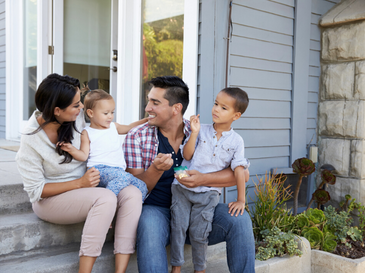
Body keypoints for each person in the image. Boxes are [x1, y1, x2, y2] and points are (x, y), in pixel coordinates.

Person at [123, 76, 255, 273]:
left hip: (197, 210)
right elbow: (134, 189)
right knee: (149, 226)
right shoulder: (137, 136)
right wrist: (155, 169)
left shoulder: (198, 131)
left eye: (155, 102)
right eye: (148, 100)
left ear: (176, 108)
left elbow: (243, 175)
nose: (147, 107)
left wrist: (203, 179)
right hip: (157, 211)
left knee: (239, 218)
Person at [15, 74, 142, 273]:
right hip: (52, 199)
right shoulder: (31, 139)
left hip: (88, 187)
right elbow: (37, 190)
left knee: (133, 193)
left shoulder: (77, 117)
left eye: (80, 103)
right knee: (106, 198)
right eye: (76, 105)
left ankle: (120, 271)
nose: (81, 108)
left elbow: (108, 122)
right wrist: (79, 183)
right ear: (57, 110)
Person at [170, 87, 250, 273]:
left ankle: (200, 269)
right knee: (178, 228)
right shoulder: (202, 130)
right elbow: (187, 156)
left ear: (236, 115)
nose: (216, 109)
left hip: (207, 195)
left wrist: (241, 199)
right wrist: (195, 133)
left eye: (223, 108)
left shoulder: (236, 141)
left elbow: (239, 171)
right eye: (215, 104)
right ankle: (176, 267)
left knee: (200, 233)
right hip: (182, 189)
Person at [57, 89, 148, 200]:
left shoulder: (114, 127)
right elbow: (83, 155)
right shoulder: (87, 132)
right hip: (99, 170)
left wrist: (146, 120)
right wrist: (71, 149)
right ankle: (106, 201)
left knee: (142, 186)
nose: (110, 116)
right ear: (91, 113)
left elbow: (129, 127)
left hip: (117, 171)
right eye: (106, 113)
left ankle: (124, 205)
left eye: (112, 112)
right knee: (123, 178)